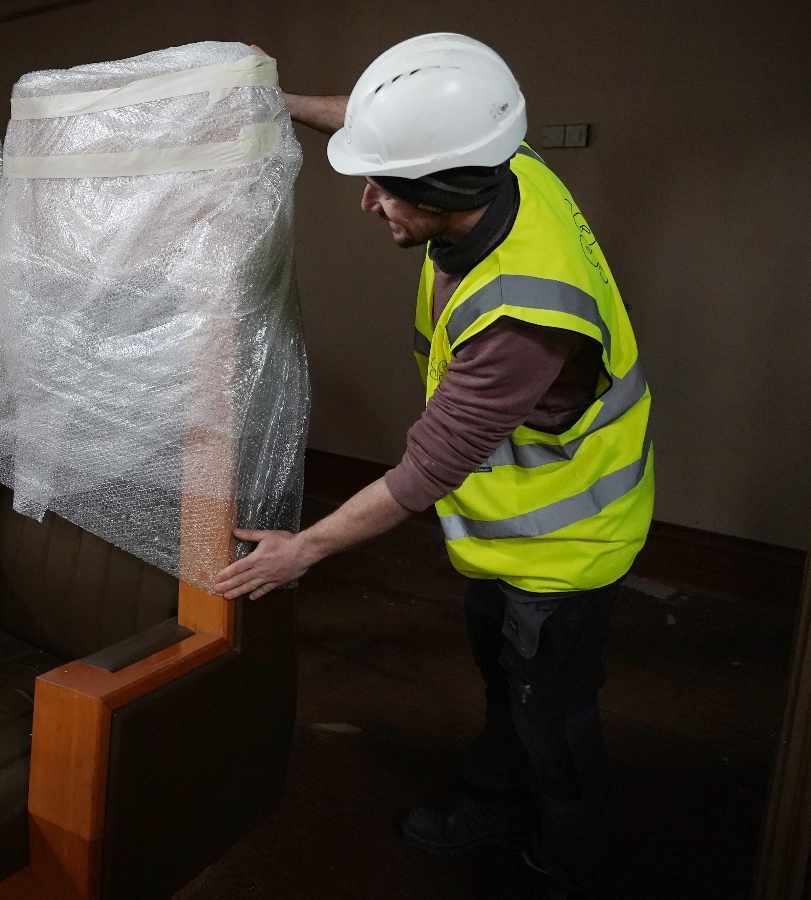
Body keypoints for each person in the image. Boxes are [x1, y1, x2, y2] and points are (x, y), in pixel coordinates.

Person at [214, 35, 654, 899]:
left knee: (551, 714)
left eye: (384, 190)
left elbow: (423, 474)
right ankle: (495, 795)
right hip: (512, 526)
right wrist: (284, 101)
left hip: (562, 545)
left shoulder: (523, 317)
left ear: (450, 196)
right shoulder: (497, 157)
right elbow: (389, 128)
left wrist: (300, 551)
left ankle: (571, 861)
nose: (367, 202)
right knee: (509, 689)